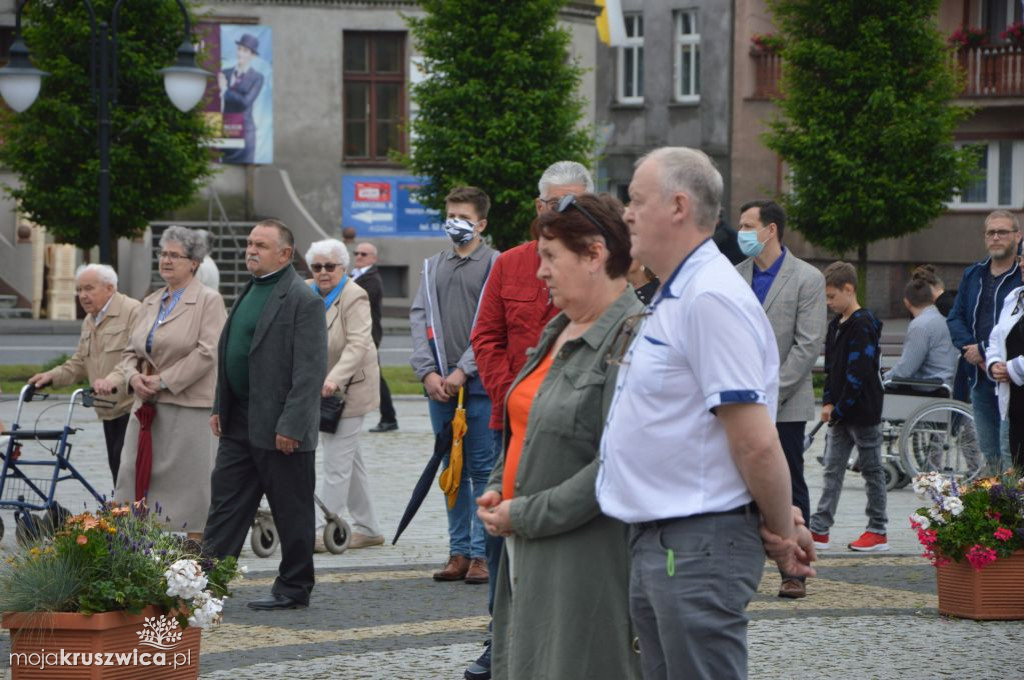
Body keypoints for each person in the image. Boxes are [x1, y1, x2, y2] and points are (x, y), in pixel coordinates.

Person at [597, 147, 814, 680]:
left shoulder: (709, 298)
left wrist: (784, 531)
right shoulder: (679, 292)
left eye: (636, 200)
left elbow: (756, 441)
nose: (626, 213)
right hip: (663, 536)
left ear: (677, 206)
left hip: (697, 543)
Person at [477, 193, 642, 680]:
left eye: (551, 257)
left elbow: (619, 465)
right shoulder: (558, 330)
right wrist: (496, 487)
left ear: (595, 254)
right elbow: (524, 425)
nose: (540, 272)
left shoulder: (633, 338)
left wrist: (523, 513)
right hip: (525, 548)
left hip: (584, 563)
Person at [466, 160, 590, 680]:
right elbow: (486, 339)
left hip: (573, 425)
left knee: (565, 531)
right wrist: (511, 393)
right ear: (539, 209)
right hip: (511, 423)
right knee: (501, 533)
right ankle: (501, 638)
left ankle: (566, 640)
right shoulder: (510, 264)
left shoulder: (597, 265)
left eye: (575, 205)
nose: (564, 213)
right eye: (556, 204)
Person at [204, 219, 327, 611]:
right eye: (249, 243)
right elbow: (232, 354)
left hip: (280, 427)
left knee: (291, 509)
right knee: (226, 503)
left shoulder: (301, 299)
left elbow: (309, 373)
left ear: (285, 254)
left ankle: (294, 587)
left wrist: (291, 425)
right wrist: (219, 406)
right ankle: (206, 582)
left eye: (260, 245)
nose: (250, 250)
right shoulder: (250, 289)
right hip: (239, 419)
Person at [735, 199, 826, 600]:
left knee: (788, 480)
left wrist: (769, 395)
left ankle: (794, 571)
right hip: (736, 400)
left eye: (748, 225)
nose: (741, 232)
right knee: (738, 483)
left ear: (771, 230)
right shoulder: (733, 275)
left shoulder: (807, 278)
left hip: (784, 403)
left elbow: (807, 347)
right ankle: (738, 565)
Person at [113, 227, 227, 541]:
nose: (166, 260)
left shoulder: (208, 301)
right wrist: (134, 377)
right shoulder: (151, 301)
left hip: (187, 407)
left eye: (174, 255)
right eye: (163, 254)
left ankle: (194, 561)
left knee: (191, 490)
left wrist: (162, 381)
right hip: (146, 409)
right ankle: (134, 553)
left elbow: (208, 351)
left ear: (194, 263)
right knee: (131, 478)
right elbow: (128, 352)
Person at [410, 186, 499, 584]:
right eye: (450, 215)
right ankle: (458, 550)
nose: (454, 223)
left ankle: (482, 553)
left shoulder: (495, 264)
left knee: (481, 469)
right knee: (451, 471)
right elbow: (419, 318)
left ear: (480, 223)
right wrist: (427, 372)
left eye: (462, 217)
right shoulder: (433, 266)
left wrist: (465, 369)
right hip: (439, 388)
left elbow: (490, 325)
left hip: (477, 388)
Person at [29, 264, 141, 484]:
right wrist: (51, 376)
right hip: (108, 409)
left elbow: (136, 357)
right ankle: (125, 516)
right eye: (79, 290)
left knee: (127, 474)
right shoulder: (90, 321)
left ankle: (136, 516)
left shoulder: (133, 311)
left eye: (89, 288)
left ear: (109, 288)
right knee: (117, 472)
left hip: (132, 407)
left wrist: (111, 380)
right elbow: (79, 362)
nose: (82, 295)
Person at [305, 239, 383, 550]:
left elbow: (358, 344)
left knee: (336, 461)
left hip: (349, 389)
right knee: (350, 461)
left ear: (343, 268)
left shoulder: (355, 295)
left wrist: (334, 380)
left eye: (330, 266)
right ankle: (369, 528)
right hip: (319, 388)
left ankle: (324, 528)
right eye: (317, 267)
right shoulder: (306, 290)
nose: (323, 273)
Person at [808, 261, 888, 553]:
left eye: (831, 296)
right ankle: (819, 529)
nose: (828, 303)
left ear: (849, 289)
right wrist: (829, 400)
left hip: (863, 411)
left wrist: (839, 408)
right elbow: (832, 369)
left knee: (871, 470)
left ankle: (878, 530)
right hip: (841, 412)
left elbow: (860, 372)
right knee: (832, 468)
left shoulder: (863, 324)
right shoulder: (835, 325)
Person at [947, 210, 1020, 472]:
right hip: (979, 379)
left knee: (1011, 454)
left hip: (1012, 380)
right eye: (991, 232)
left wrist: (983, 350)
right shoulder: (973, 274)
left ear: (1017, 235)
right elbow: (955, 318)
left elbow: (1010, 326)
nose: (996, 237)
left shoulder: (1021, 275)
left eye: (1002, 232)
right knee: (990, 456)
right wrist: (970, 349)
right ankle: (1000, 508)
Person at [352, 243, 398, 433]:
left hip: (368, 334)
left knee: (375, 377)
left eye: (364, 254)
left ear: (373, 258)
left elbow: (356, 300)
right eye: (356, 253)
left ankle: (389, 418)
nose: (359, 256)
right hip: (359, 333)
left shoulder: (371, 279)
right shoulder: (356, 275)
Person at [984, 258, 1024, 470]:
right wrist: (994, 364)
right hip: (1015, 405)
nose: (1022, 264)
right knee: (1016, 474)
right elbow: (996, 338)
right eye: (1022, 257)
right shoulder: (1015, 297)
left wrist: (1011, 368)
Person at [886, 278, 959, 386]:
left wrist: (882, 379)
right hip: (948, 384)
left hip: (931, 387)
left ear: (907, 302)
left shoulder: (920, 326)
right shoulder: (944, 320)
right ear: (932, 298)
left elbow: (905, 370)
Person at [219, 33, 264, 164]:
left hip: (245, 133)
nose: (240, 54)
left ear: (253, 55)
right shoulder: (225, 73)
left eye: (245, 51)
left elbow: (245, 102)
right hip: (226, 130)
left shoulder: (257, 78)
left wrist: (225, 90)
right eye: (239, 49)